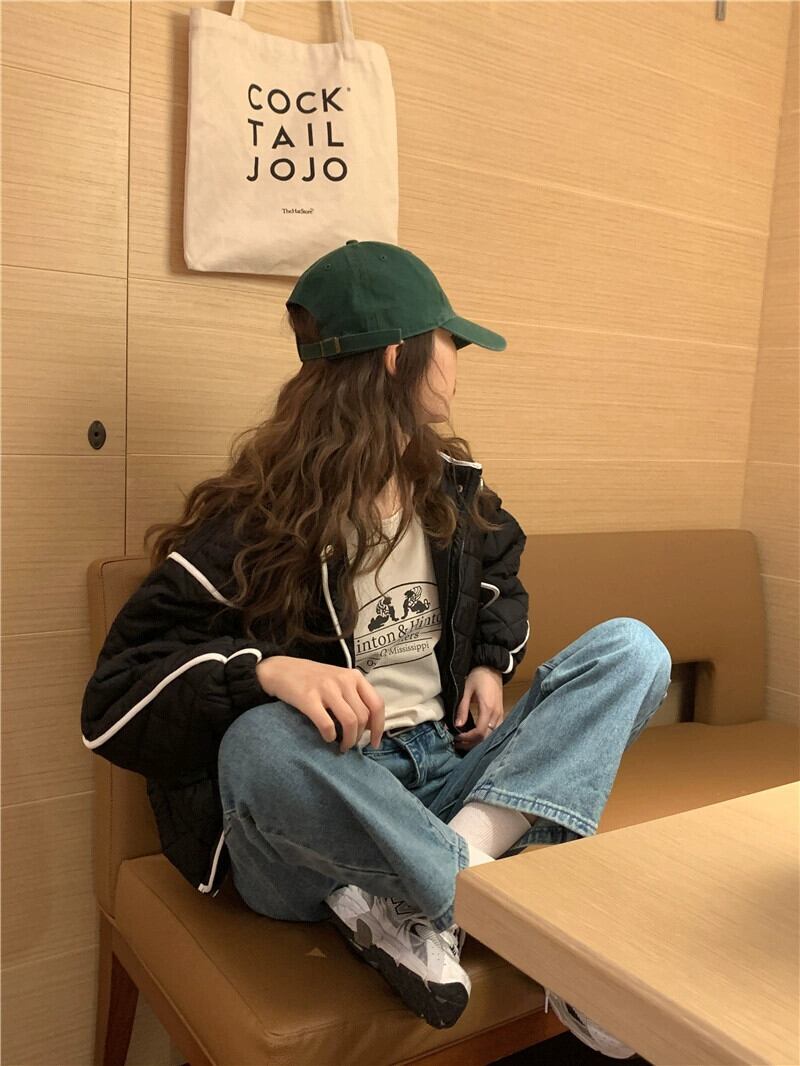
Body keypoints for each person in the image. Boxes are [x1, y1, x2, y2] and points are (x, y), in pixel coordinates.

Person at [81, 239, 671, 1051]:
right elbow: (114, 700)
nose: (457, 362)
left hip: (445, 774)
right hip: (329, 809)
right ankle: (529, 926)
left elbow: (500, 574)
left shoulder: (451, 492)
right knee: (260, 741)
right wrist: (268, 672)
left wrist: (487, 659)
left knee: (633, 650)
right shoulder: (256, 518)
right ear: (399, 355)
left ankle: (435, 887)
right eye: (449, 340)